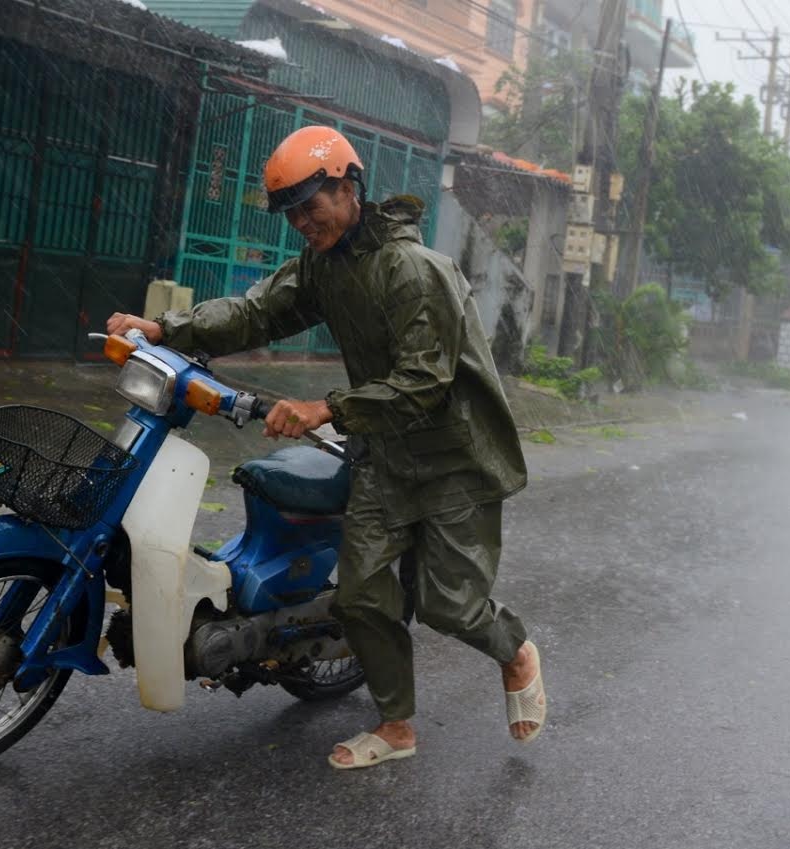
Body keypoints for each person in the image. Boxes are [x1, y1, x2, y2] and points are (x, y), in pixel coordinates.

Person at [107, 125, 546, 770]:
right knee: (363, 596)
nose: (301, 223)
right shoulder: (325, 264)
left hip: (456, 459)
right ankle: (397, 728)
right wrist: (166, 328)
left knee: (448, 605)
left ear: (348, 188)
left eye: (310, 207)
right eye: (291, 213)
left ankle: (515, 651)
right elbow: (259, 312)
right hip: (383, 453)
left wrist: (326, 408)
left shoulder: (413, 271)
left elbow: (425, 382)